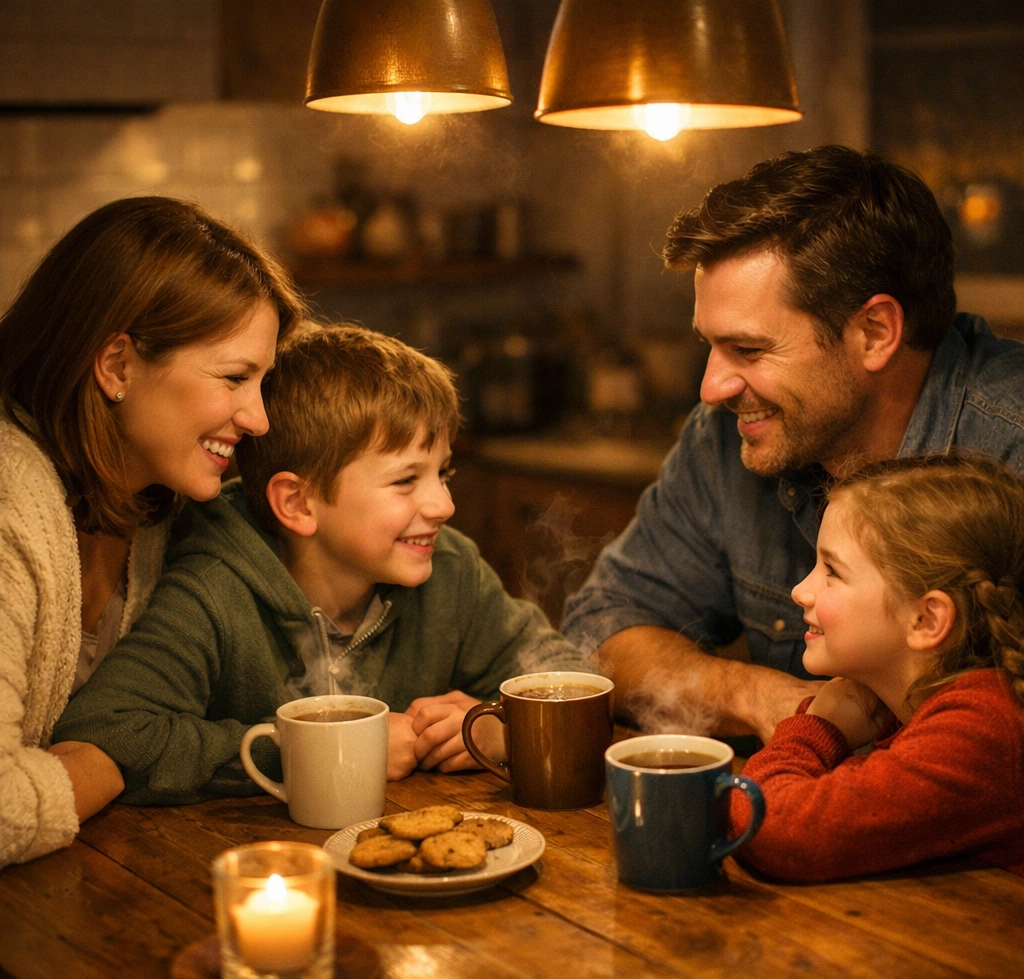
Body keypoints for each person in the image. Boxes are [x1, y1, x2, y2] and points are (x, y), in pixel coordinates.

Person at [562, 145, 1024, 743]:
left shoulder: (1010, 444)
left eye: (748, 350)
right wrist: (765, 699)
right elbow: (603, 627)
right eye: (709, 345)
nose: (711, 388)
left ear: (875, 332)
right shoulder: (727, 436)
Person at [54, 322, 589, 802]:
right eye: (406, 480)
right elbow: (106, 730)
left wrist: (504, 727)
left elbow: (573, 678)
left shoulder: (451, 571)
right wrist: (311, 750)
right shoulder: (215, 589)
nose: (444, 506)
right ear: (298, 503)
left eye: (442, 473)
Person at [0, 196, 304, 867]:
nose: (258, 419)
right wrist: (113, 759)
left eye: (263, 382)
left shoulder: (160, 507)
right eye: (235, 377)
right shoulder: (9, 503)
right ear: (117, 366)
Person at [729, 454, 1024, 881]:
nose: (800, 591)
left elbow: (769, 828)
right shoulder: (917, 708)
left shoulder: (982, 728)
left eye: (832, 571)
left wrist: (817, 729)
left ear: (926, 620)